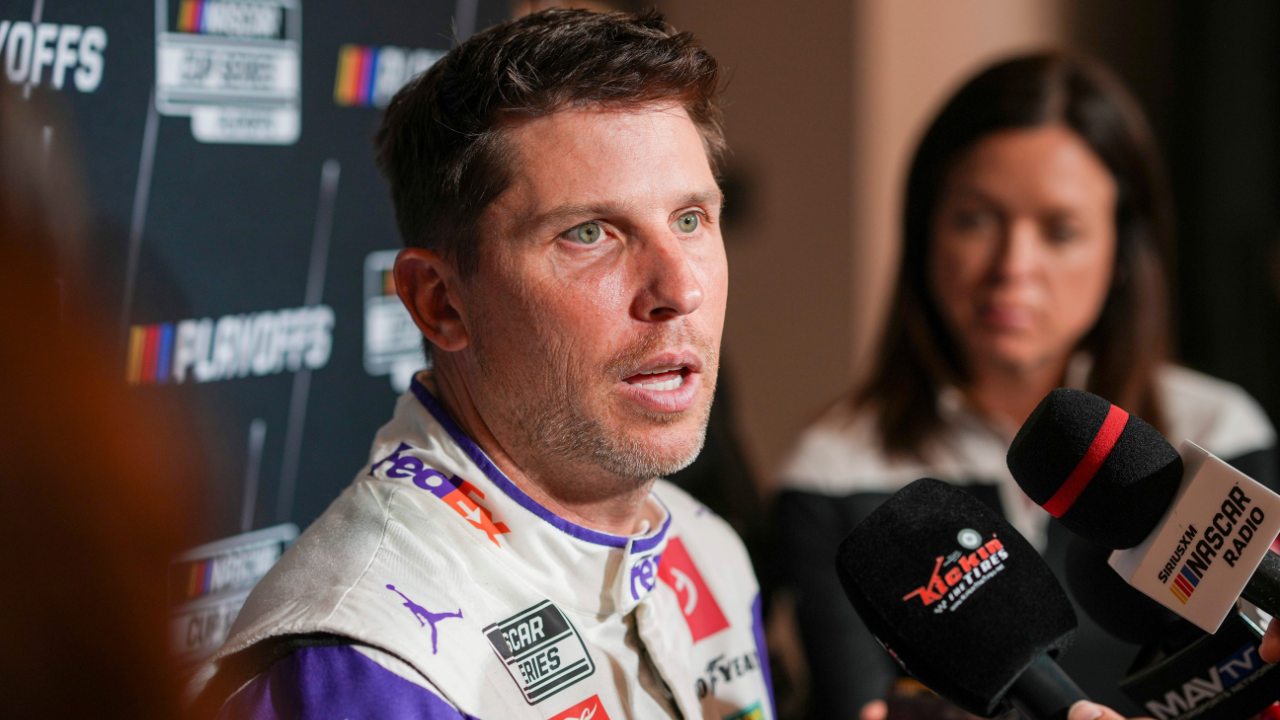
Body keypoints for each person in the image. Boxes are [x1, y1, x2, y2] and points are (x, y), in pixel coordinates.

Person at [188, 9, 773, 720]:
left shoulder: (708, 552)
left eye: (690, 219)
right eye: (589, 234)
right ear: (440, 303)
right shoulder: (361, 666)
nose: (679, 289)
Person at [774, 52, 1280, 717]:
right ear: (926, 232)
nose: (1013, 267)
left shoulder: (1221, 432)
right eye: (974, 220)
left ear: (1122, 254)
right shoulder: (833, 470)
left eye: (1060, 230)